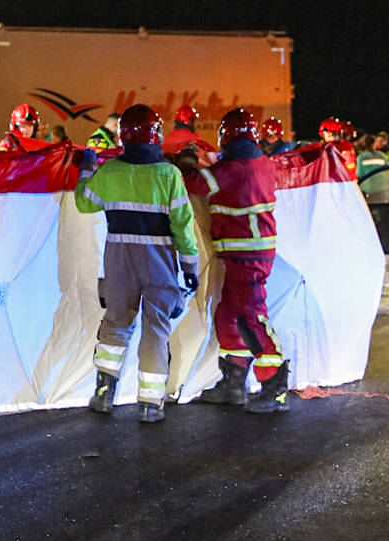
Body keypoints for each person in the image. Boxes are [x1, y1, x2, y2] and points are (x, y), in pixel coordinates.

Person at [73, 104, 201, 423]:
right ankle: (149, 405)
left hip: (119, 262)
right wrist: (190, 267)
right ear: (156, 135)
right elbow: (183, 226)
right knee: (156, 330)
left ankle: (104, 394)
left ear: (122, 136)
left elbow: (84, 202)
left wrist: (87, 168)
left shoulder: (110, 172)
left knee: (116, 324)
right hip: (160, 263)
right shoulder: (169, 175)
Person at [196, 107, 289, 412]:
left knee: (251, 318)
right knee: (229, 316)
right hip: (245, 254)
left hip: (247, 256)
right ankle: (233, 382)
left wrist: (186, 161)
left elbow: (196, 183)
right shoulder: (260, 163)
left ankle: (275, 386)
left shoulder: (235, 169)